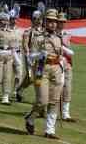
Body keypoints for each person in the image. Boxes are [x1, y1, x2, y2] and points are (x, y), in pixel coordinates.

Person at [25, 9, 65, 139]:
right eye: (50, 21)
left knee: (54, 101)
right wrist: (40, 55)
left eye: (55, 21)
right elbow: (31, 56)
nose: (53, 24)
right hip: (42, 69)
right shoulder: (39, 37)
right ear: (45, 22)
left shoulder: (59, 38)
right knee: (42, 100)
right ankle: (30, 117)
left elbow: (61, 55)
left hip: (56, 70)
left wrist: (62, 69)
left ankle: (50, 130)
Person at [16, 10, 44, 102]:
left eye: (40, 19)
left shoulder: (44, 32)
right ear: (33, 20)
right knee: (30, 78)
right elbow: (25, 44)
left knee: (39, 77)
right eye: (37, 19)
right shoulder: (28, 31)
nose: (39, 21)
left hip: (40, 58)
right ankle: (20, 89)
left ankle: (39, 98)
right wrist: (28, 55)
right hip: (30, 56)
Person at [57, 12, 76, 122]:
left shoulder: (67, 34)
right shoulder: (51, 34)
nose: (62, 23)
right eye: (60, 22)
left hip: (67, 63)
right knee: (55, 88)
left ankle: (65, 113)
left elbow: (69, 49)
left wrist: (67, 51)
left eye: (64, 22)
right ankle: (46, 109)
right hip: (56, 63)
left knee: (67, 87)